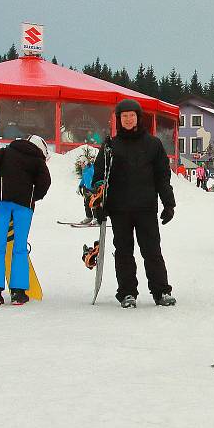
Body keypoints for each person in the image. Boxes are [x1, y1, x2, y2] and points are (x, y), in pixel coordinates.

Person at [92, 98, 176, 308]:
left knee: (152, 250)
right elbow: (99, 178)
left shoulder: (153, 144)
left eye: (132, 115)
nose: (128, 119)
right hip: (119, 209)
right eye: (124, 116)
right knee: (123, 251)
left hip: (146, 208)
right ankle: (127, 292)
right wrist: (97, 206)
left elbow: (162, 176)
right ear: (119, 120)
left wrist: (168, 203)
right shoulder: (111, 146)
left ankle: (161, 291)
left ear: (139, 118)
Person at [0, 134, 52, 306]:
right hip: (23, 207)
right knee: (19, 248)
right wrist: (33, 196)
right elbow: (45, 182)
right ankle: (18, 293)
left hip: (0, 203)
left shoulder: (6, 152)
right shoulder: (38, 161)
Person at [77, 158, 96, 225]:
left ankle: (96, 218)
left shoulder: (91, 169)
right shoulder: (84, 170)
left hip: (93, 189)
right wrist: (80, 186)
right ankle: (89, 217)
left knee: (93, 203)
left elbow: (95, 178)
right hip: (87, 189)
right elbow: (84, 178)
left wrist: (94, 188)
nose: (80, 164)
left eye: (81, 163)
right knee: (86, 203)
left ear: (85, 162)